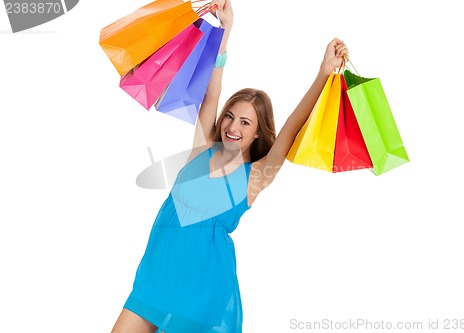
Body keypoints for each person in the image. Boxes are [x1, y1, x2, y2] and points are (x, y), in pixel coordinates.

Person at [111, 0, 348, 332]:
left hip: (201, 292)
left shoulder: (256, 178)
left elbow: (293, 126)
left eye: (246, 123)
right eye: (231, 117)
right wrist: (225, 31)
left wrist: (323, 74)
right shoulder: (202, 150)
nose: (233, 127)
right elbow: (212, 93)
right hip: (155, 279)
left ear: (257, 134)